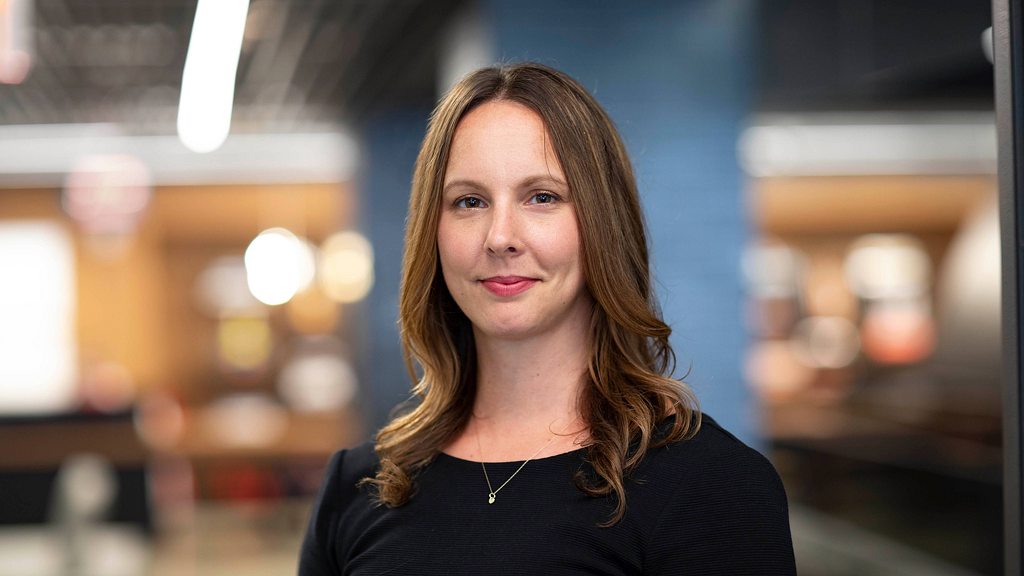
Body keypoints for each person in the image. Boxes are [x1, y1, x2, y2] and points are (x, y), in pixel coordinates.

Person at [298, 62, 797, 575]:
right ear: (434, 231)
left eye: (542, 197)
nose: (500, 237)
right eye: (469, 201)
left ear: (602, 223)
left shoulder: (711, 485)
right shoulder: (358, 486)